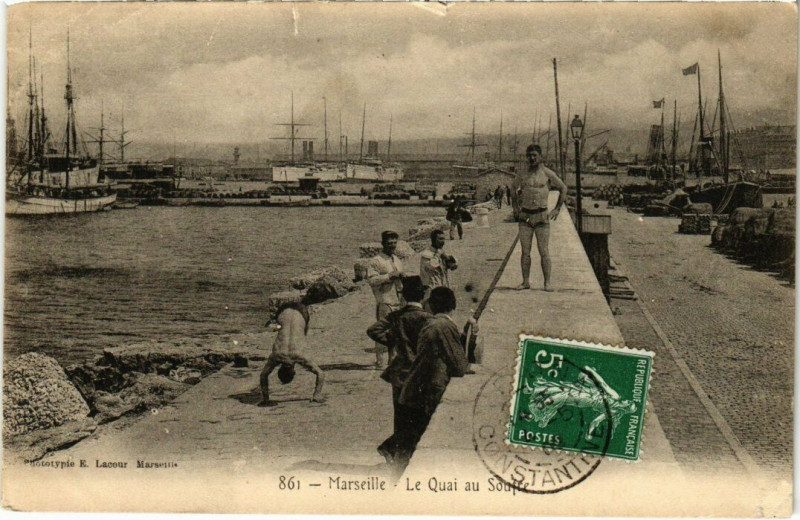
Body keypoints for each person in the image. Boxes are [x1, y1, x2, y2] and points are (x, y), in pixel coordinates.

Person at [394, 287, 475, 466]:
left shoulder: (435, 324)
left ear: (430, 305)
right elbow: (460, 365)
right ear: (453, 305)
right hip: (427, 391)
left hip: (415, 390)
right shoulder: (443, 325)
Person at [366, 276, 431, 464]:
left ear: (403, 295)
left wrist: (393, 339)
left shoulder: (397, 317)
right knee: (421, 416)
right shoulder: (428, 319)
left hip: (400, 373)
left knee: (401, 416)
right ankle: (394, 451)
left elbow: (373, 330)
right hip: (420, 374)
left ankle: (395, 454)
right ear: (423, 295)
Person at [512, 144, 567, 292]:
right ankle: (525, 282)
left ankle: (547, 283)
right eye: (529, 155)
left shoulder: (547, 173)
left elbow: (563, 188)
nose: (531, 158)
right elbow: (513, 188)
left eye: (534, 155)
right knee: (525, 252)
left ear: (540, 156)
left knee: (544, 251)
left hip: (542, 217)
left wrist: (557, 209)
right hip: (525, 218)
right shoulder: (522, 174)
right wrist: (515, 208)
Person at [258, 302, 325, 407]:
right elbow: (263, 375)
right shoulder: (276, 355)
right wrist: (265, 399)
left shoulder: (299, 356)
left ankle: (316, 395)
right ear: (280, 369)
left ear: (293, 371)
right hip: (282, 310)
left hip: (302, 312)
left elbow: (321, 374)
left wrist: (317, 394)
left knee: (302, 331)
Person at [367, 230, 405, 369]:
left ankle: (392, 360)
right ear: (383, 244)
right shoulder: (376, 261)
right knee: (382, 330)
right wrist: (389, 276)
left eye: (394, 243)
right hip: (384, 300)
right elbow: (371, 280)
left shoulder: (397, 260)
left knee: (395, 331)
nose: (392, 246)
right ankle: (380, 361)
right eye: (389, 243)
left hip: (398, 299)